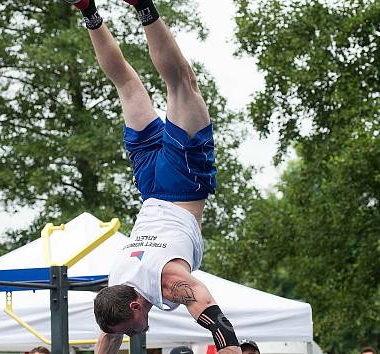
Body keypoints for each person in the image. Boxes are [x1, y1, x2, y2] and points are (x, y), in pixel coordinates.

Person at [69, 1, 239, 354]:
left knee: (182, 84)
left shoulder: (170, 283)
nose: (132, 334)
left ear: (134, 307)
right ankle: (88, 11)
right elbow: (109, 336)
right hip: (148, 186)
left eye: (128, 330)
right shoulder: (115, 288)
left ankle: (144, 6)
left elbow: (221, 328)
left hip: (183, 184)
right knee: (127, 85)